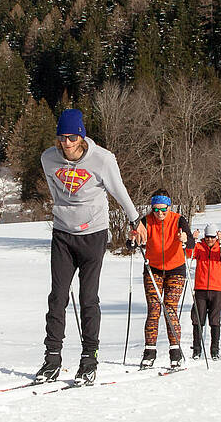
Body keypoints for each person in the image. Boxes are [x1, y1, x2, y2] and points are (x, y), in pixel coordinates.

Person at [36, 108, 143, 383]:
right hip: (62, 234)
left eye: (72, 137)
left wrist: (136, 220)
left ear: (81, 137)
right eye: (62, 137)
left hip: (93, 234)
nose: (66, 143)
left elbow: (119, 190)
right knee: (57, 298)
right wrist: (64, 211)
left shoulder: (102, 160)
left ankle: (89, 357)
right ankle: (52, 358)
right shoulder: (48, 158)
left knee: (88, 298)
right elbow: (53, 188)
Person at [138, 191, 193, 368]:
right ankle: (149, 351)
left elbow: (191, 242)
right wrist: (133, 239)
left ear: (169, 207)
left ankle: (175, 351)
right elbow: (132, 242)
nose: (159, 213)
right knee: (154, 309)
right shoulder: (146, 221)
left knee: (170, 308)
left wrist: (185, 238)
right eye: (155, 209)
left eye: (163, 209)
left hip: (176, 269)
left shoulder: (179, 220)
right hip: (153, 269)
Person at [187, 223, 221, 360]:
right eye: (207, 237)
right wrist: (192, 239)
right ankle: (196, 350)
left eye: (212, 237)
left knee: (214, 320)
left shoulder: (220, 248)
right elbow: (189, 253)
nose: (209, 240)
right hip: (201, 289)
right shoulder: (199, 247)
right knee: (197, 319)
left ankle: (214, 350)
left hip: (217, 289)